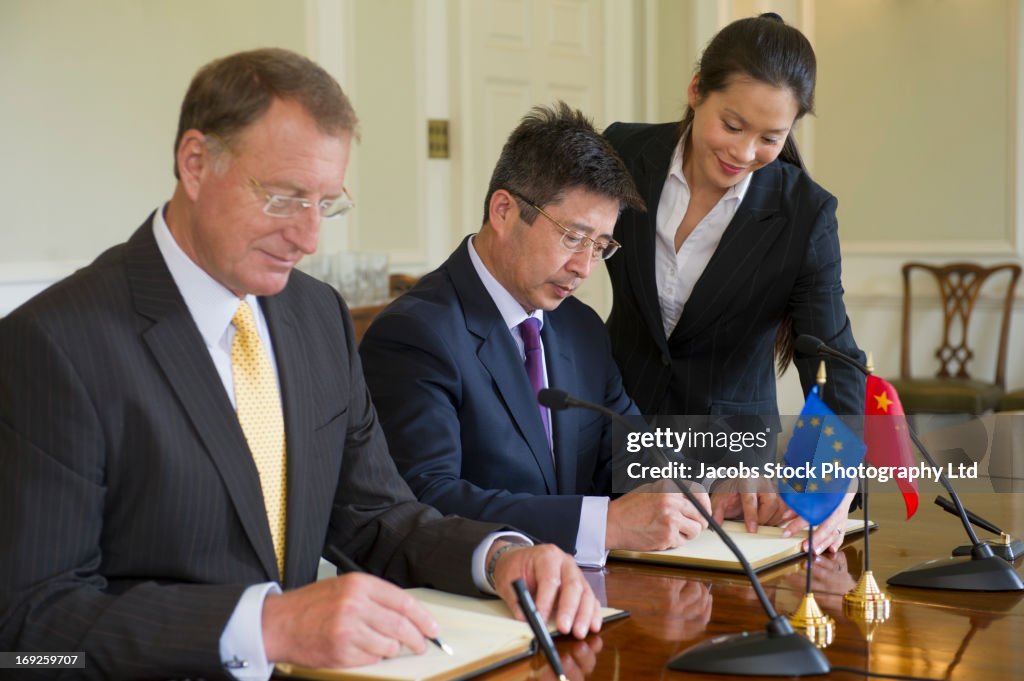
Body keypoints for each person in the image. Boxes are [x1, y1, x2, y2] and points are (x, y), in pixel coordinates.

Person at [0, 49, 601, 681]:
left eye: (327, 204)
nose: (310, 238)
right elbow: (28, 633)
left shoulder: (315, 315)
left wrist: (500, 555)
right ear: (196, 164)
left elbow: (378, 519)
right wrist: (267, 626)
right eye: (285, 198)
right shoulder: (53, 345)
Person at [359, 103, 710, 568]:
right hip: (470, 607)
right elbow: (426, 500)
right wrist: (602, 524)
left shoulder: (580, 327)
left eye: (600, 246)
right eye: (572, 236)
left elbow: (628, 449)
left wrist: (710, 487)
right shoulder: (415, 334)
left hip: (581, 596)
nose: (583, 268)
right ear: (504, 211)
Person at [603, 14, 864, 554]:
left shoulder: (805, 214)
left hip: (734, 475)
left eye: (771, 137)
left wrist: (836, 485)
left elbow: (833, 362)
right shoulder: (622, 154)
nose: (744, 153)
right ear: (697, 90)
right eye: (733, 125)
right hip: (612, 443)